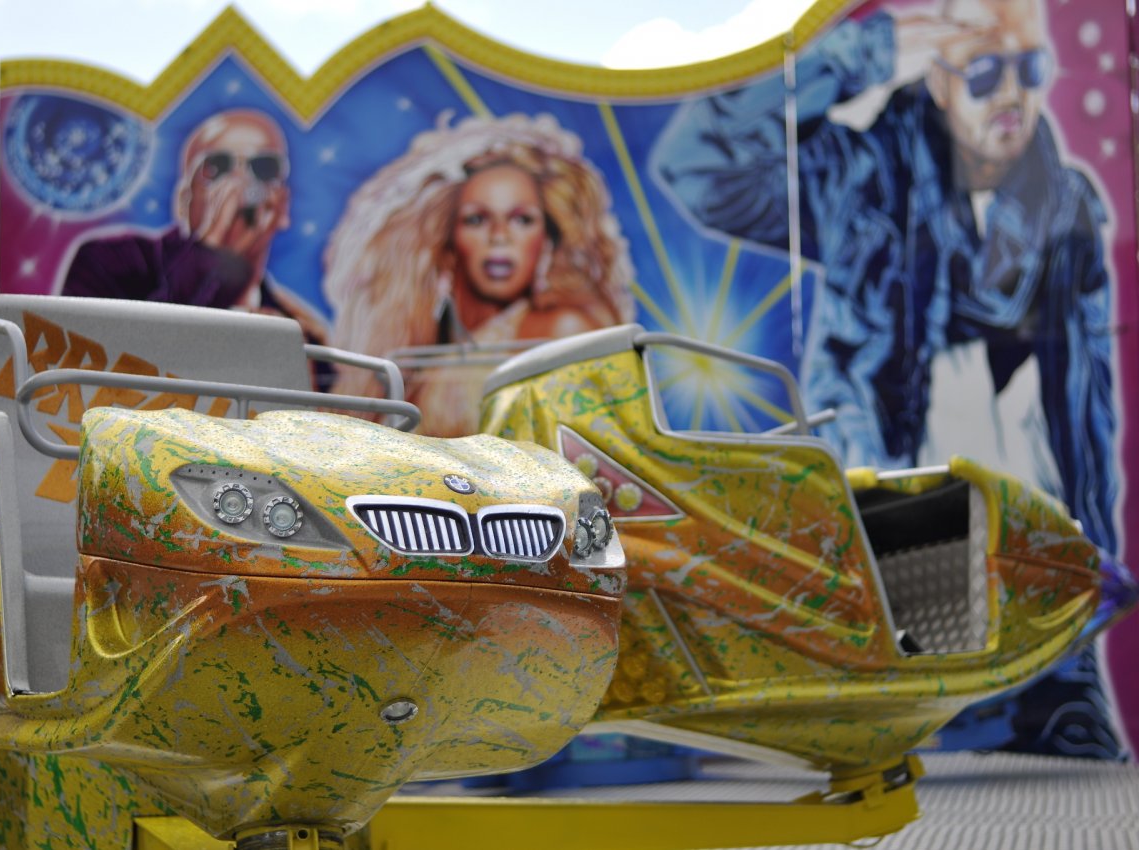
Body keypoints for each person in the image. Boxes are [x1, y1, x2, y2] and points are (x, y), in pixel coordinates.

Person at [650, 0, 1122, 758]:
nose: (1011, 94)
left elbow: (1089, 426)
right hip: (892, 572)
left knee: (1067, 780)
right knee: (898, 774)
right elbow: (698, 162)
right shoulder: (858, 180)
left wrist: (1087, 606)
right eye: (985, 71)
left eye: (1029, 68)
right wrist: (859, 53)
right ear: (936, 78)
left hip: (1033, 601)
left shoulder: (1068, 210)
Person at [323, 113, 635, 435]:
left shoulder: (562, 330)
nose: (500, 236)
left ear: (546, 242)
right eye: (477, 219)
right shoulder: (419, 349)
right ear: (447, 243)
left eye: (522, 219)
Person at [61, 109, 328, 345]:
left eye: (264, 168)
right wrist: (212, 252)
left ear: (283, 207)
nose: (241, 182)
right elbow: (118, 361)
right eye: (217, 167)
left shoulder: (299, 332)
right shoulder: (108, 264)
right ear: (183, 202)